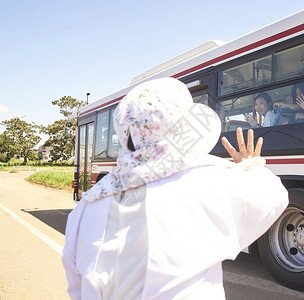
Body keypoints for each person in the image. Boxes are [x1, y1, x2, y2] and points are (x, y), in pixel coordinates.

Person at [62, 77, 288, 300]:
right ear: (185, 129)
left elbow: (77, 288)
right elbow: (273, 199)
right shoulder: (212, 183)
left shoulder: (85, 208)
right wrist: (251, 166)